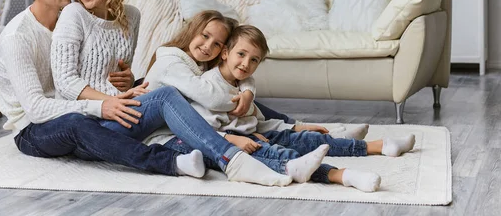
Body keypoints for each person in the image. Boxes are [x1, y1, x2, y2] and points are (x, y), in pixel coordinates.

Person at [49, 0, 292, 186]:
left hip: (122, 105)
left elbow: (115, 71)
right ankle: (231, 157)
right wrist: (108, 102)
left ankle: (288, 129)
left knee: (189, 89)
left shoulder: (130, 15)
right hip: (90, 118)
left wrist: (127, 80)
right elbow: (66, 82)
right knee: (168, 95)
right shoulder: (73, 13)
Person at [0, 0, 212, 179]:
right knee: (77, 124)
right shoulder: (17, 37)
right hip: (34, 129)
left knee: (155, 86)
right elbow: (37, 109)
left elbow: (93, 73)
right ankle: (169, 161)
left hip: (75, 108)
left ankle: (224, 129)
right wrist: (102, 106)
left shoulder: (71, 17)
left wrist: (127, 82)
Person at [146, 19, 417, 192]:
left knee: (295, 137)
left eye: (254, 60)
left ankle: (377, 146)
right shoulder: (203, 84)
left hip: (247, 132)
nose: (245, 64)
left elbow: (257, 116)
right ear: (226, 54)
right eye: (241, 55)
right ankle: (341, 175)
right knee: (276, 151)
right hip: (213, 140)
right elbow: (199, 127)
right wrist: (234, 137)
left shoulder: (240, 82)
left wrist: (285, 123)